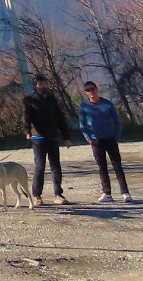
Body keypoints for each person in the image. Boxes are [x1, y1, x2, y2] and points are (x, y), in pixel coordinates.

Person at [79, 81, 133, 202]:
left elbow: (117, 122)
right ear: (86, 93)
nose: (91, 92)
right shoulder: (84, 106)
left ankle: (125, 192)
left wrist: (116, 136)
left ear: (97, 89)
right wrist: (88, 138)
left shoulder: (107, 104)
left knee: (117, 166)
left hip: (110, 139)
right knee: (102, 167)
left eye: (93, 89)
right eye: (88, 90)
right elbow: (82, 124)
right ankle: (107, 193)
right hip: (96, 141)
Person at [23, 74, 73, 205]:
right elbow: (26, 117)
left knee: (56, 166)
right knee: (40, 167)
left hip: (52, 137)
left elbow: (60, 118)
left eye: (45, 83)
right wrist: (27, 131)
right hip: (38, 138)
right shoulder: (29, 99)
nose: (44, 86)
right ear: (35, 85)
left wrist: (66, 137)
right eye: (41, 83)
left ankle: (58, 194)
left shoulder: (51, 99)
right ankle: (37, 196)